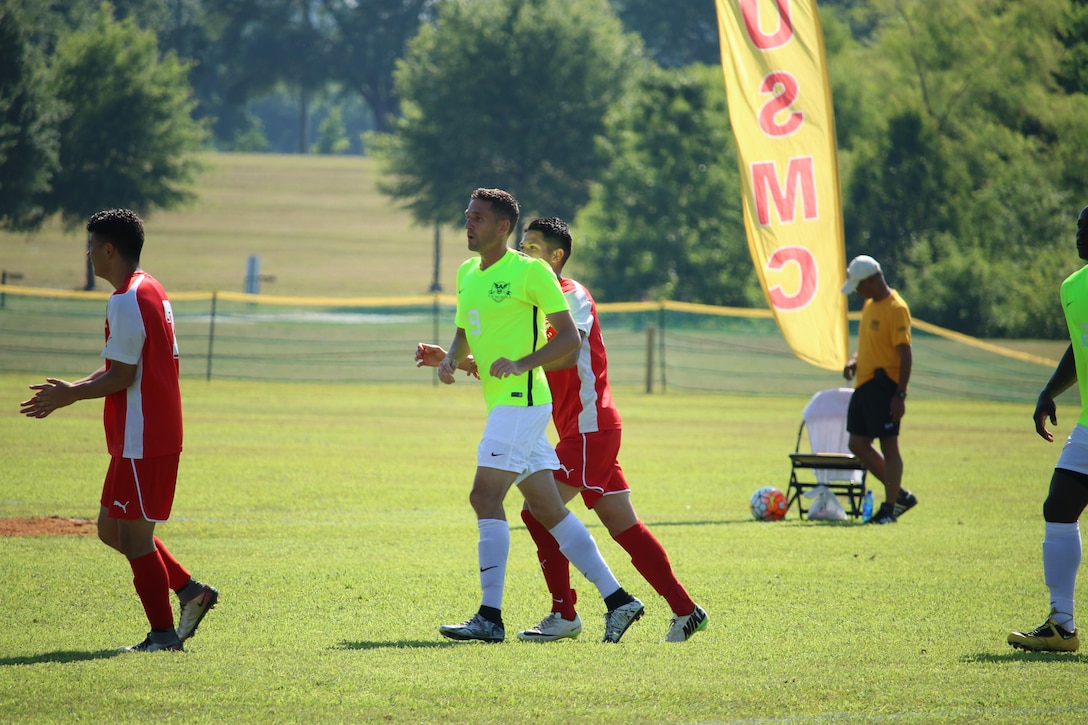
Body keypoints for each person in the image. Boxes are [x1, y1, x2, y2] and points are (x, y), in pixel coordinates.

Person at [418, 217, 707, 643]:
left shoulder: (571, 296)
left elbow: (564, 355)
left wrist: (517, 361)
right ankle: (686, 610)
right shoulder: (527, 299)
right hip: (575, 430)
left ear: (556, 257)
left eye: (533, 248)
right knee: (622, 524)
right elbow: (506, 366)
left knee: (537, 513)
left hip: (591, 428)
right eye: (523, 246)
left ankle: (565, 612)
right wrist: (453, 358)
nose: (524, 254)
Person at [19, 209, 217, 652]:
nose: (88, 254)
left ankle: (164, 637)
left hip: (145, 437)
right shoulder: (148, 286)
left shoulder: (127, 298)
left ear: (109, 250)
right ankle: (190, 591)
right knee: (111, 530)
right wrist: (73, 387)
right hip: (140, 435)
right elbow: (121, 366)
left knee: (135, 538)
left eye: (90, 246)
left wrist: (71, 395)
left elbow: (123, 376)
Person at [1007, 204, 1088, 653]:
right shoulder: (1073, 287)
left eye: (1086, 227)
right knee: (1058, 506)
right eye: (1078, 225)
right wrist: (1049, 391)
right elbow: (1079, 345)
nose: (1079, 233)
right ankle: (1062, 624)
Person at [841, 254, 917, 525]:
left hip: (886, 387)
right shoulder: (869, 304)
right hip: (864, 385)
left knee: (889, 445)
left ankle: (888, 509)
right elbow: (869, 346)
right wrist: (854, 361)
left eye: (860, 286)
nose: (858, 291)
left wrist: (900, 395)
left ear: (874, 280)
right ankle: (900, 495)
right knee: (857, 443)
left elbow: (905, 354)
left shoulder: (896, 308)